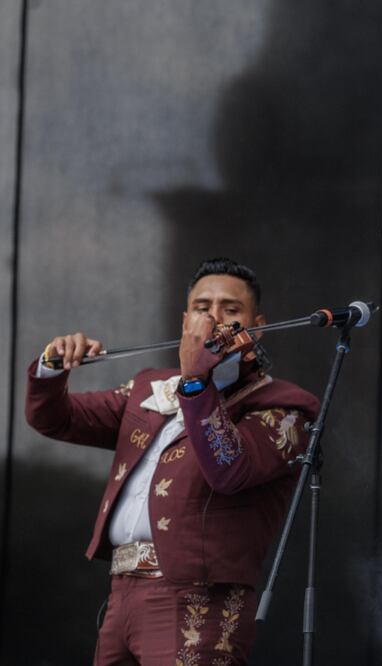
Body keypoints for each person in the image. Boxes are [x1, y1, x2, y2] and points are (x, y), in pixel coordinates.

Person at [25, 258, 320, 665]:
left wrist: (195, 377)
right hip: (121, 591)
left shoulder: (285, 405)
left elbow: (229, 468)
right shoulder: (149, 387)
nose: (213, 318)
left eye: (230, 309)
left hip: (200, 599)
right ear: (186, 320)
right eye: (202, 308)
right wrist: (52, 366)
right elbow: (55, 419)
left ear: (258, 324)